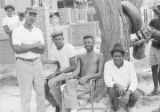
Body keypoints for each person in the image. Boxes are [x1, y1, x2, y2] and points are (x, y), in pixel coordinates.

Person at [12, 7, 45, 112]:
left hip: (37, 62)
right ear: (25, 14)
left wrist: (25, 46)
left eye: (34, 15)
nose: (32, 17)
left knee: (40, 93)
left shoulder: (38, 31)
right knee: (26, 94)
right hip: (23, 63)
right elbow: (17, 49)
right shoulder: (17, 31)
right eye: (30, 14)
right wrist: (35, 45)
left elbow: (41, 50)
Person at [63, 35, 104, 112]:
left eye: (89, 42)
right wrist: (71, 75)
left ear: (93, 43)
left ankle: (72, 109)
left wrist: (86, 77)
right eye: (85, 43)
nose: (87, 44)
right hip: (79, 82)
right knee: (70, 82)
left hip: (89, 84)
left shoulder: (99, 56)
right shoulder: (80, 56)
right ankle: (75, 107)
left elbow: (100, 74)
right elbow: (77, 71)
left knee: (66, 90)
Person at [45, 31, 77, 112]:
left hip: (70, 73)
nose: (58, 41)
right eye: (56, 39)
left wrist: (57, 73)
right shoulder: (54, 50)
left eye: (60, 39)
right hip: (62, 73)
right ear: (53, 41)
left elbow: (73, 66)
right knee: (46, 85)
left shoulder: (69, 48)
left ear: (63, 39)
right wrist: (54, 73)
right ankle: (59, 105)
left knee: (52, 83)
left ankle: (62, 107)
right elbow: (59, 64)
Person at [104, 43, 139, 112]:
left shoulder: (130, 65)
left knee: (136, 95)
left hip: (127, 88)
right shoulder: (108, 64)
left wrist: (128, 93)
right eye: (115, 56)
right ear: (112, 56)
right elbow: (107, 81)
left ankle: (127, 105)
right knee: (111, 91)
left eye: (119, 56)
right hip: (115, 88)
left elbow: (134, 81)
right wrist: (118, 85)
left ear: (123, 56)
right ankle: (115, 106)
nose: (117, 58)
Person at [147, 3, 160, 95]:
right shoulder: (153, 21)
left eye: (156, 10)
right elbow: (149, 34)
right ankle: (156, 89)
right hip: (154, 47)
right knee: (154, 69)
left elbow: (155, 33)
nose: (155, 12)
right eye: (154, 11)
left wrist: (156, 33)